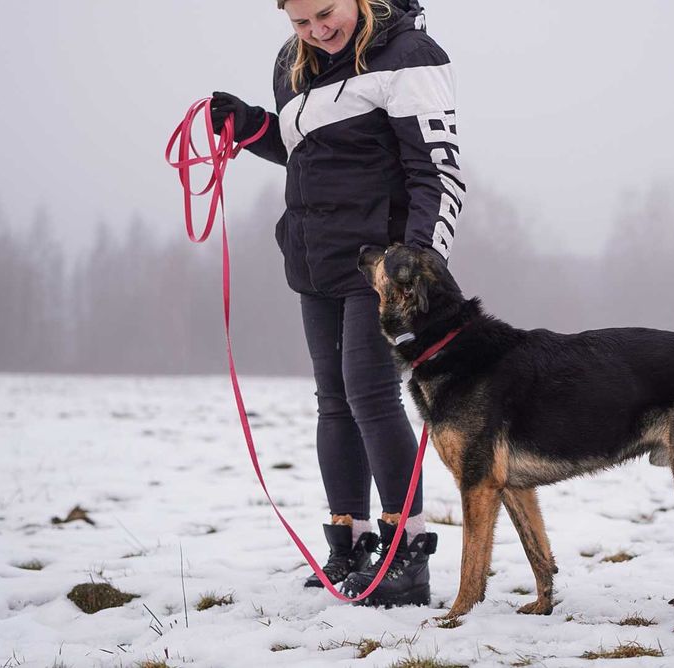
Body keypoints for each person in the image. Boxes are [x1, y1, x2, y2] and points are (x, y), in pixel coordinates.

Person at [209, 0, 463, 607]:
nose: (317, 30)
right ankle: (349, 544)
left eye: (326, 13)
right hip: (315, 261)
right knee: (334, 401)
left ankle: (407, 555)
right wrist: (250, 128)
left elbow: (438, 171)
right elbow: (309, 149)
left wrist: (420, 264)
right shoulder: (292, 62)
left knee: (370, 396)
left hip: (381, 265)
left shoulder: (407, 56)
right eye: (300, 21)